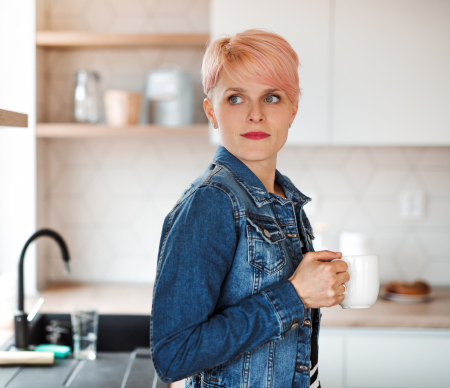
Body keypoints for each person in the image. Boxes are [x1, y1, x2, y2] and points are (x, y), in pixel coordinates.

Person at [150, 29, 350, 388]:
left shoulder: (284, 200)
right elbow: (173, 355)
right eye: (236, 98)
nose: (255, 114)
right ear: (212, 111)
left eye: (271, 97)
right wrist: (295, 295)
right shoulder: (211, 202)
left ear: (293, 110)